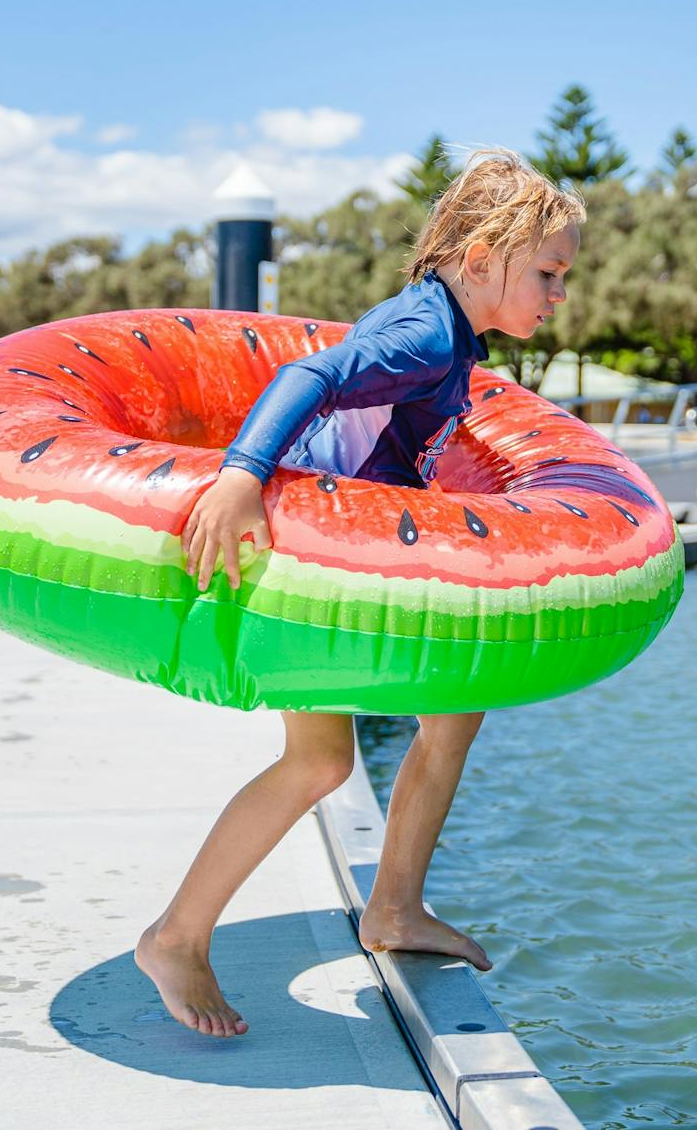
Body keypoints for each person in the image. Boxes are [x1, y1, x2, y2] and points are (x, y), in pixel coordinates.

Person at [135, 149, 584, 1038]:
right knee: (323, 762)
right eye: (549, 272)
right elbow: (311, 376)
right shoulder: (422, 333)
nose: (560, 293)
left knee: (445, 717)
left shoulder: (447, 330)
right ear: (485, 253)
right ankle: (177, 936)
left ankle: (394, 910)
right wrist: (240, 477)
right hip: (310, 559)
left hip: (335, 548)